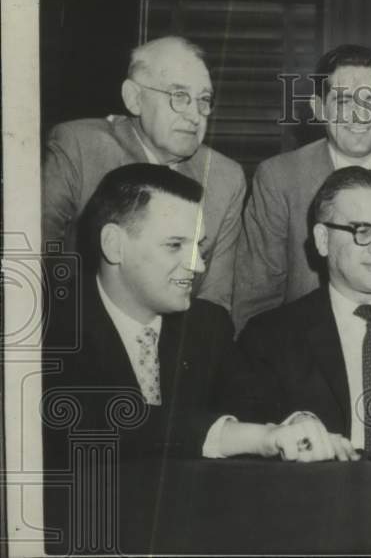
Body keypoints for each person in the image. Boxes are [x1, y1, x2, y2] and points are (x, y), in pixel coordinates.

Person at [42, 164, 343, 465]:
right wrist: (254, 438)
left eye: (199, 247)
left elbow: (255, 405)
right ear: (114, 245)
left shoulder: (207, 325)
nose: (198, 266)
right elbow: (101, 423)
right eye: (175, 245)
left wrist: (295, 422)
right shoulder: (47, 328)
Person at [223, 167, 371, 458]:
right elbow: (251, 437)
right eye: (362, 231)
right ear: (323, 240)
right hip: (328, 494)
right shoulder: (271, 338)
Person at [42, 36, 245, 311]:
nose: (195, 116)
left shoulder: (225, 178)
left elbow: (214, 302)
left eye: (203, 100)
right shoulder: (79, 147)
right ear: (134, 98)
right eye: (179, 96)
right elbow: (33, 259)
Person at [232, 44, 371, 332]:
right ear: (319, 108)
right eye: (343, 101)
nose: (360, 116)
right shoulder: (280, 179)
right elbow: (255, 302)